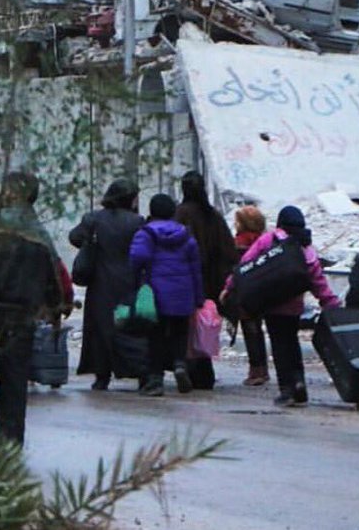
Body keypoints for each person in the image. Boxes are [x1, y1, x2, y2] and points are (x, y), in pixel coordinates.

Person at [0, 171, 70, 444]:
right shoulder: (39, 235)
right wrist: (56, 307)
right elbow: (55, 279)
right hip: (19, 321)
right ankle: (9, 448)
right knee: (13, 387)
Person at [224, 205, 340, 407]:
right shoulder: (306, 248)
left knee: (279, 347)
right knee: (292, 343)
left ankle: (287, 390)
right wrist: (331, 304)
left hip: (271, 304)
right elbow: (318, 282)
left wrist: (229, 287)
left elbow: (246, 265)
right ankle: (299, 384)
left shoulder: (269, 240)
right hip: (294, 307)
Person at [69, 179, 144, 390]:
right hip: (128, 282)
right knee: (128, 327)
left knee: (100, 329)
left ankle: (102, 374)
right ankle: (134, 368)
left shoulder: (94, 219)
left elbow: (74, 237)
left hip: (100, 282)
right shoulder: (137, 222)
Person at [129, 193, 204, 396]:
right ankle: (180, 364)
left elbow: (137, 257)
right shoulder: (185, 235)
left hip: (156, 293)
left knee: (156, 336)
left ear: (152, 211)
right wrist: (198, 297)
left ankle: (155, 379)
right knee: (180, 332)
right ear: (173, 212)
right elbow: (196, 270)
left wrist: (137, 280)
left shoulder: (146, 233)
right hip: (183, 293)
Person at [175, 170, 237, 302]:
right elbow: (229, 253)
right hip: (214, 283)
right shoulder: (213, 215)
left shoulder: (178, 215)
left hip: (185, 283)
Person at [233, 205, 270, 386]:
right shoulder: (266, 240)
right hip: (262, 289)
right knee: (258, 329)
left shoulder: (240, 241)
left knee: (250, 329)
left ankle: (256, 369)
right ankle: (263, 368)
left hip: (245, 291)